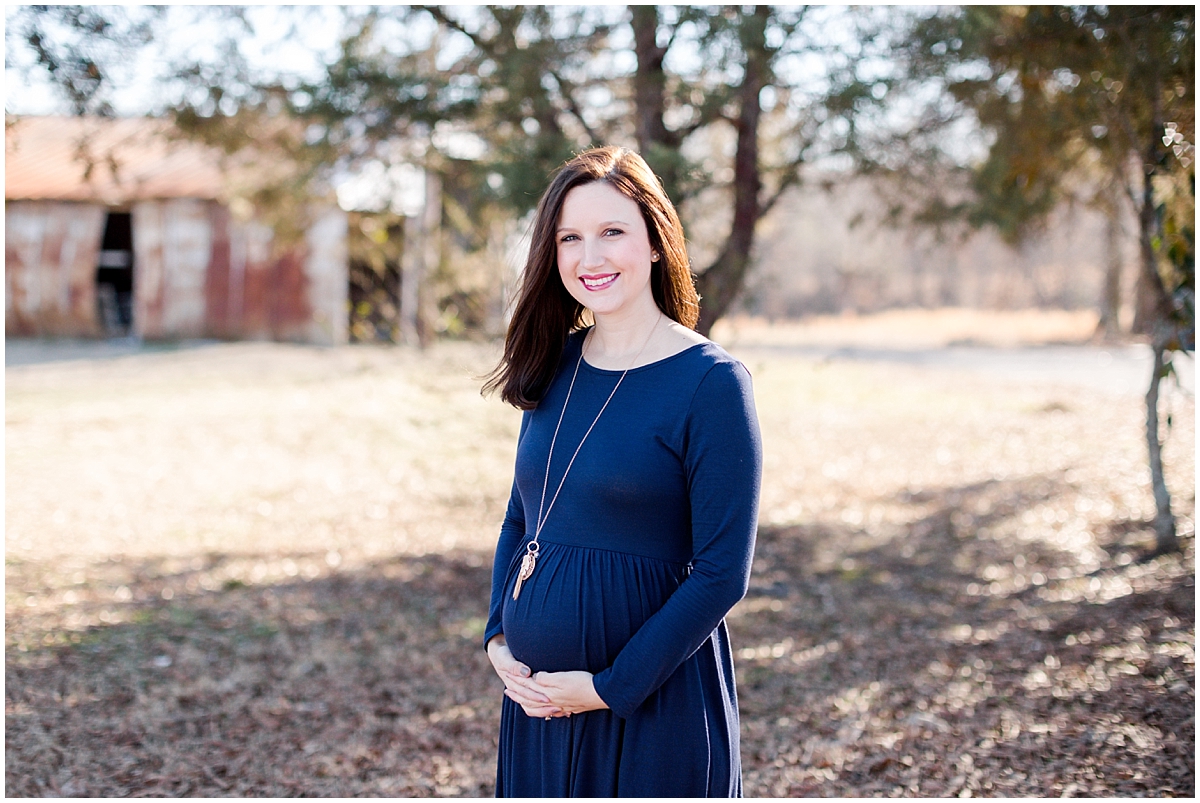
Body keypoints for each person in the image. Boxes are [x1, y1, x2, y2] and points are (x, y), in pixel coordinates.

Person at [481, 146, 762, 797]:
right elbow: (522, 515)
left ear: (657, 242)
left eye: (613, 232)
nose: (590, 257)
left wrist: (609, 686)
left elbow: (724, 573)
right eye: (570, 238)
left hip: (652, 709)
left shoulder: (711, 383)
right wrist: (497, 633)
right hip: (540, 709)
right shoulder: (554, 366)